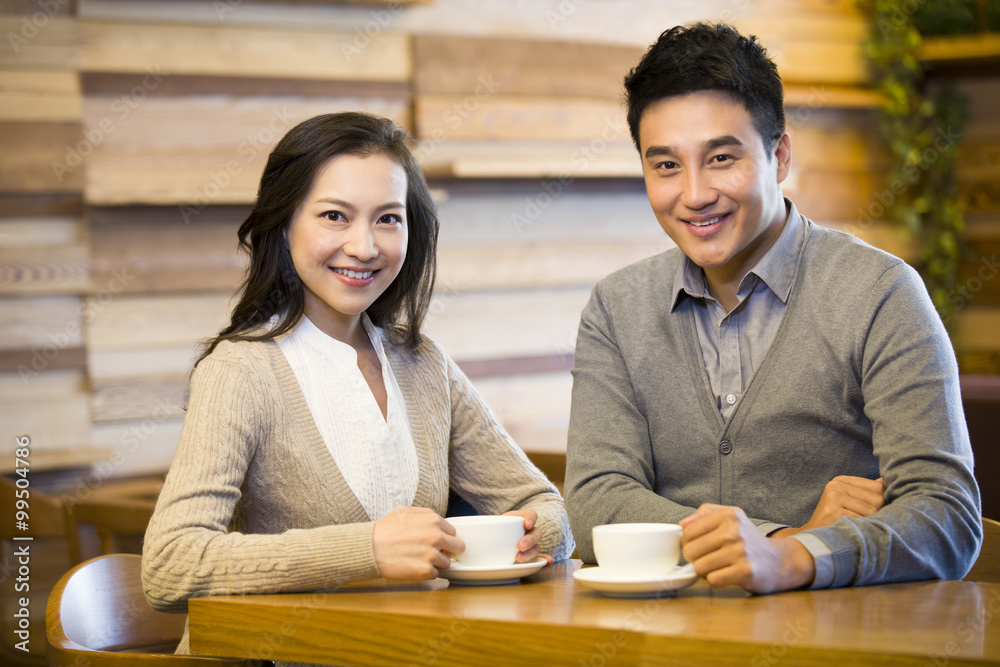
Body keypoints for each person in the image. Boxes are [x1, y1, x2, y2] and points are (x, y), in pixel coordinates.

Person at [564, 23, 981, 594]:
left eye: (721, 158)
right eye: (665, 166)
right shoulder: (616, 308)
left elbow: (947, 517)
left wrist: (793, 560)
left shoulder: (881, 292)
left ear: (779, 155)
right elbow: (594, 503)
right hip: (667, 643)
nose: (693, 194)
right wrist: (786, 537)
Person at [142, 113, 574, 655]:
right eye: (334, 216)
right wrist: (368, 550)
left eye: (388, 219)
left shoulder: (423, 364)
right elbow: (170, 566)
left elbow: (545, 505)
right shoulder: (240, 371)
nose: (365, 246)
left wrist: (533, 535)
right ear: (283, 224)